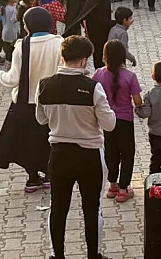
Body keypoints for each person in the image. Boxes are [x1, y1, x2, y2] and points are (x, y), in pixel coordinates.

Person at [35, 35, 115, 259]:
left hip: (59, 154)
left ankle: (56, 255)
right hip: (89, 155)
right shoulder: (93, 88)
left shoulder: (44, 85)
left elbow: (41, 119)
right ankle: (94, 255)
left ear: (62, 57)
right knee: (92, 208)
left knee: (58, 208)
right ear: (83, 61)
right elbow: (109, 124)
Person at [0, 7, 62, 192]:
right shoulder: (59, 43)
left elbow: (13, 78)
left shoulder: (23, 45)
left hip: (27, 103)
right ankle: (50, 174)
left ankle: (32, 178)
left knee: (28, 142)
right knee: (50, 140)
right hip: (52, 102)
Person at [93, 40, 143, 202]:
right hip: (125, 120)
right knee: (127, 153)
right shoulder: (130, 76)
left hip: (106, 120)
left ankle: (113, 185)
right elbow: (137, 101)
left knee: (110, 151)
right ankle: (124, 188)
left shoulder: (99, 74)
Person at [64, 0, 128, 69]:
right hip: (97, 35)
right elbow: (103, 22)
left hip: (89, 29)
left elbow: (73, 0)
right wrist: (119, 24)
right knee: (100, 61)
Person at [1, 0, 19, 65]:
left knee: (7, 47)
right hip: (11, 31)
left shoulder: (4, 7)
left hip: (5, 30)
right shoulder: (12, 9)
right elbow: (14, 19)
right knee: (11, 49)